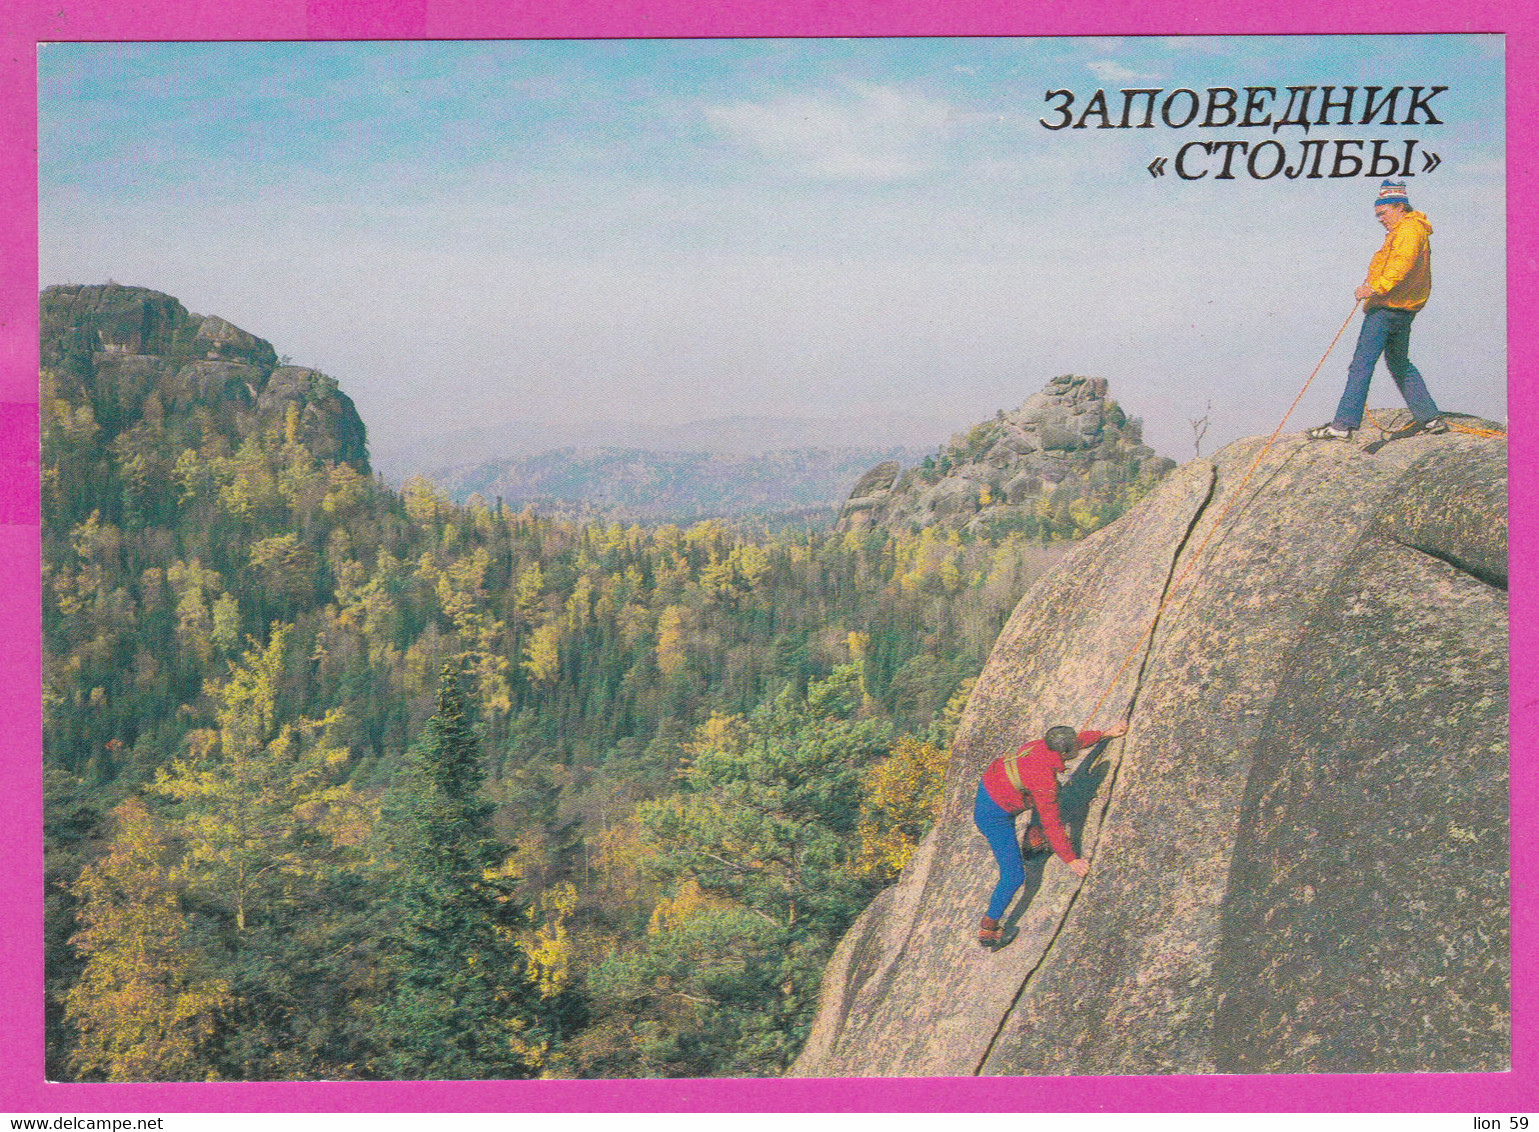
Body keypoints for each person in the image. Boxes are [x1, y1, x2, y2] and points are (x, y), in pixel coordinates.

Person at [1308, 180, 1447, 441]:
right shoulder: (1410, 230)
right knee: (1399, 362)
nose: (1380, 219)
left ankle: (1343, 425)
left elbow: (1399, 267)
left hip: (1386, 309)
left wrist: (1372, 289)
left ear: (1399, 207)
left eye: (1383, 213)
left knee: (1361, 365)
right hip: (1403, 310)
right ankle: (1430, 419)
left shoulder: (1407, 231)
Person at [973, 721, 1126, 949]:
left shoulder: (1041, 746)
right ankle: (988, 929)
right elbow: (1052, 823)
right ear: (1063, 753)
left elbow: (1074, 742)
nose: (1077, 746)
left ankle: (1034, 840)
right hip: (992, 815)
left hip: (994, 786)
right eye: (1072, 748)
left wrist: (1105, 734)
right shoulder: (1044, 781)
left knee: (1055, 797)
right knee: (1014, 875)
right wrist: (1070, 858)